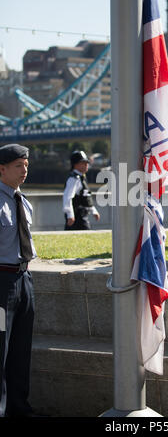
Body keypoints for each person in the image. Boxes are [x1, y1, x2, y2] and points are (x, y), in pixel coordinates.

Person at [0, 144, 36, 417]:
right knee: (0, 348)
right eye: (18, 166)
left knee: (21, 349)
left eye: (26, 165)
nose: (24, 171)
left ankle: (19, 409)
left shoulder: (22, 201)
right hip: (1, 285)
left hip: (24, 281)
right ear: (1, 169)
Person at [63, 150, 100, 230]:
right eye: (83, 163)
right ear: (75, 164)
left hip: (82, 216)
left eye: (87, 163)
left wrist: (94, 210)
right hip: (77, 217)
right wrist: (70, 215)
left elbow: (86, 197)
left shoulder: (81, 178)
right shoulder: (73, 179)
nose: (86, 165)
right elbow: (67, 197)